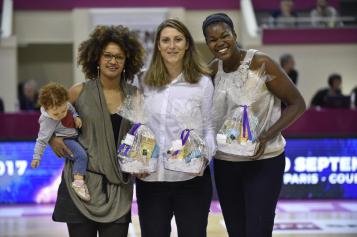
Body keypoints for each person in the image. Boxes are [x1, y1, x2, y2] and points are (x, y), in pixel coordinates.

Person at [202, 13, 306, 237]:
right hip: (225, 164)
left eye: (224, 35)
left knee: (258, 229)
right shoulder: (213, 70)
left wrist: (267, 136)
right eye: (212, 39)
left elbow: (297, 104)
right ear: (207, 43)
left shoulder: (261, 63)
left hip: (264, 160)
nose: (219, 42)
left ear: (235, 35)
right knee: (237, 230)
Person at [48, 25, 145, 237]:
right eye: (107, 55)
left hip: (118, 189)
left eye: (119, 57)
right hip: (80, 187)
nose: (113, 61)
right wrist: (53, 138)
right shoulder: (78, 91)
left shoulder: (135, 96)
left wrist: (143, 160)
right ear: (97, 59)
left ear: (127, 61)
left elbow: (142, 135)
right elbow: (48, 116)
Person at [136, 18, 216, 237]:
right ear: (158, 46)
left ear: (187, 44)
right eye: (166, 40)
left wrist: (204, 157)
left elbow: (209, 129)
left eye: (178, 40)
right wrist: (138, 159)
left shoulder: (202, 83)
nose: (172, 46)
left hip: (191, 181)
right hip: (150, 180)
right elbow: (137, 126)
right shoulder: (143, 80)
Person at [31, 83, 90, 201]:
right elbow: (41, 140)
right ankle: (78, 183)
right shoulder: (46, 121)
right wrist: (36, 157)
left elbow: (71, 108)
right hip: (65, 140)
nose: (60, 115)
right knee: (81, 156)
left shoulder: (65, 104)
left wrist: (76, 116)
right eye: (55, 114)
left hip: (75, 135)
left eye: (63, 111)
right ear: (46, 108)